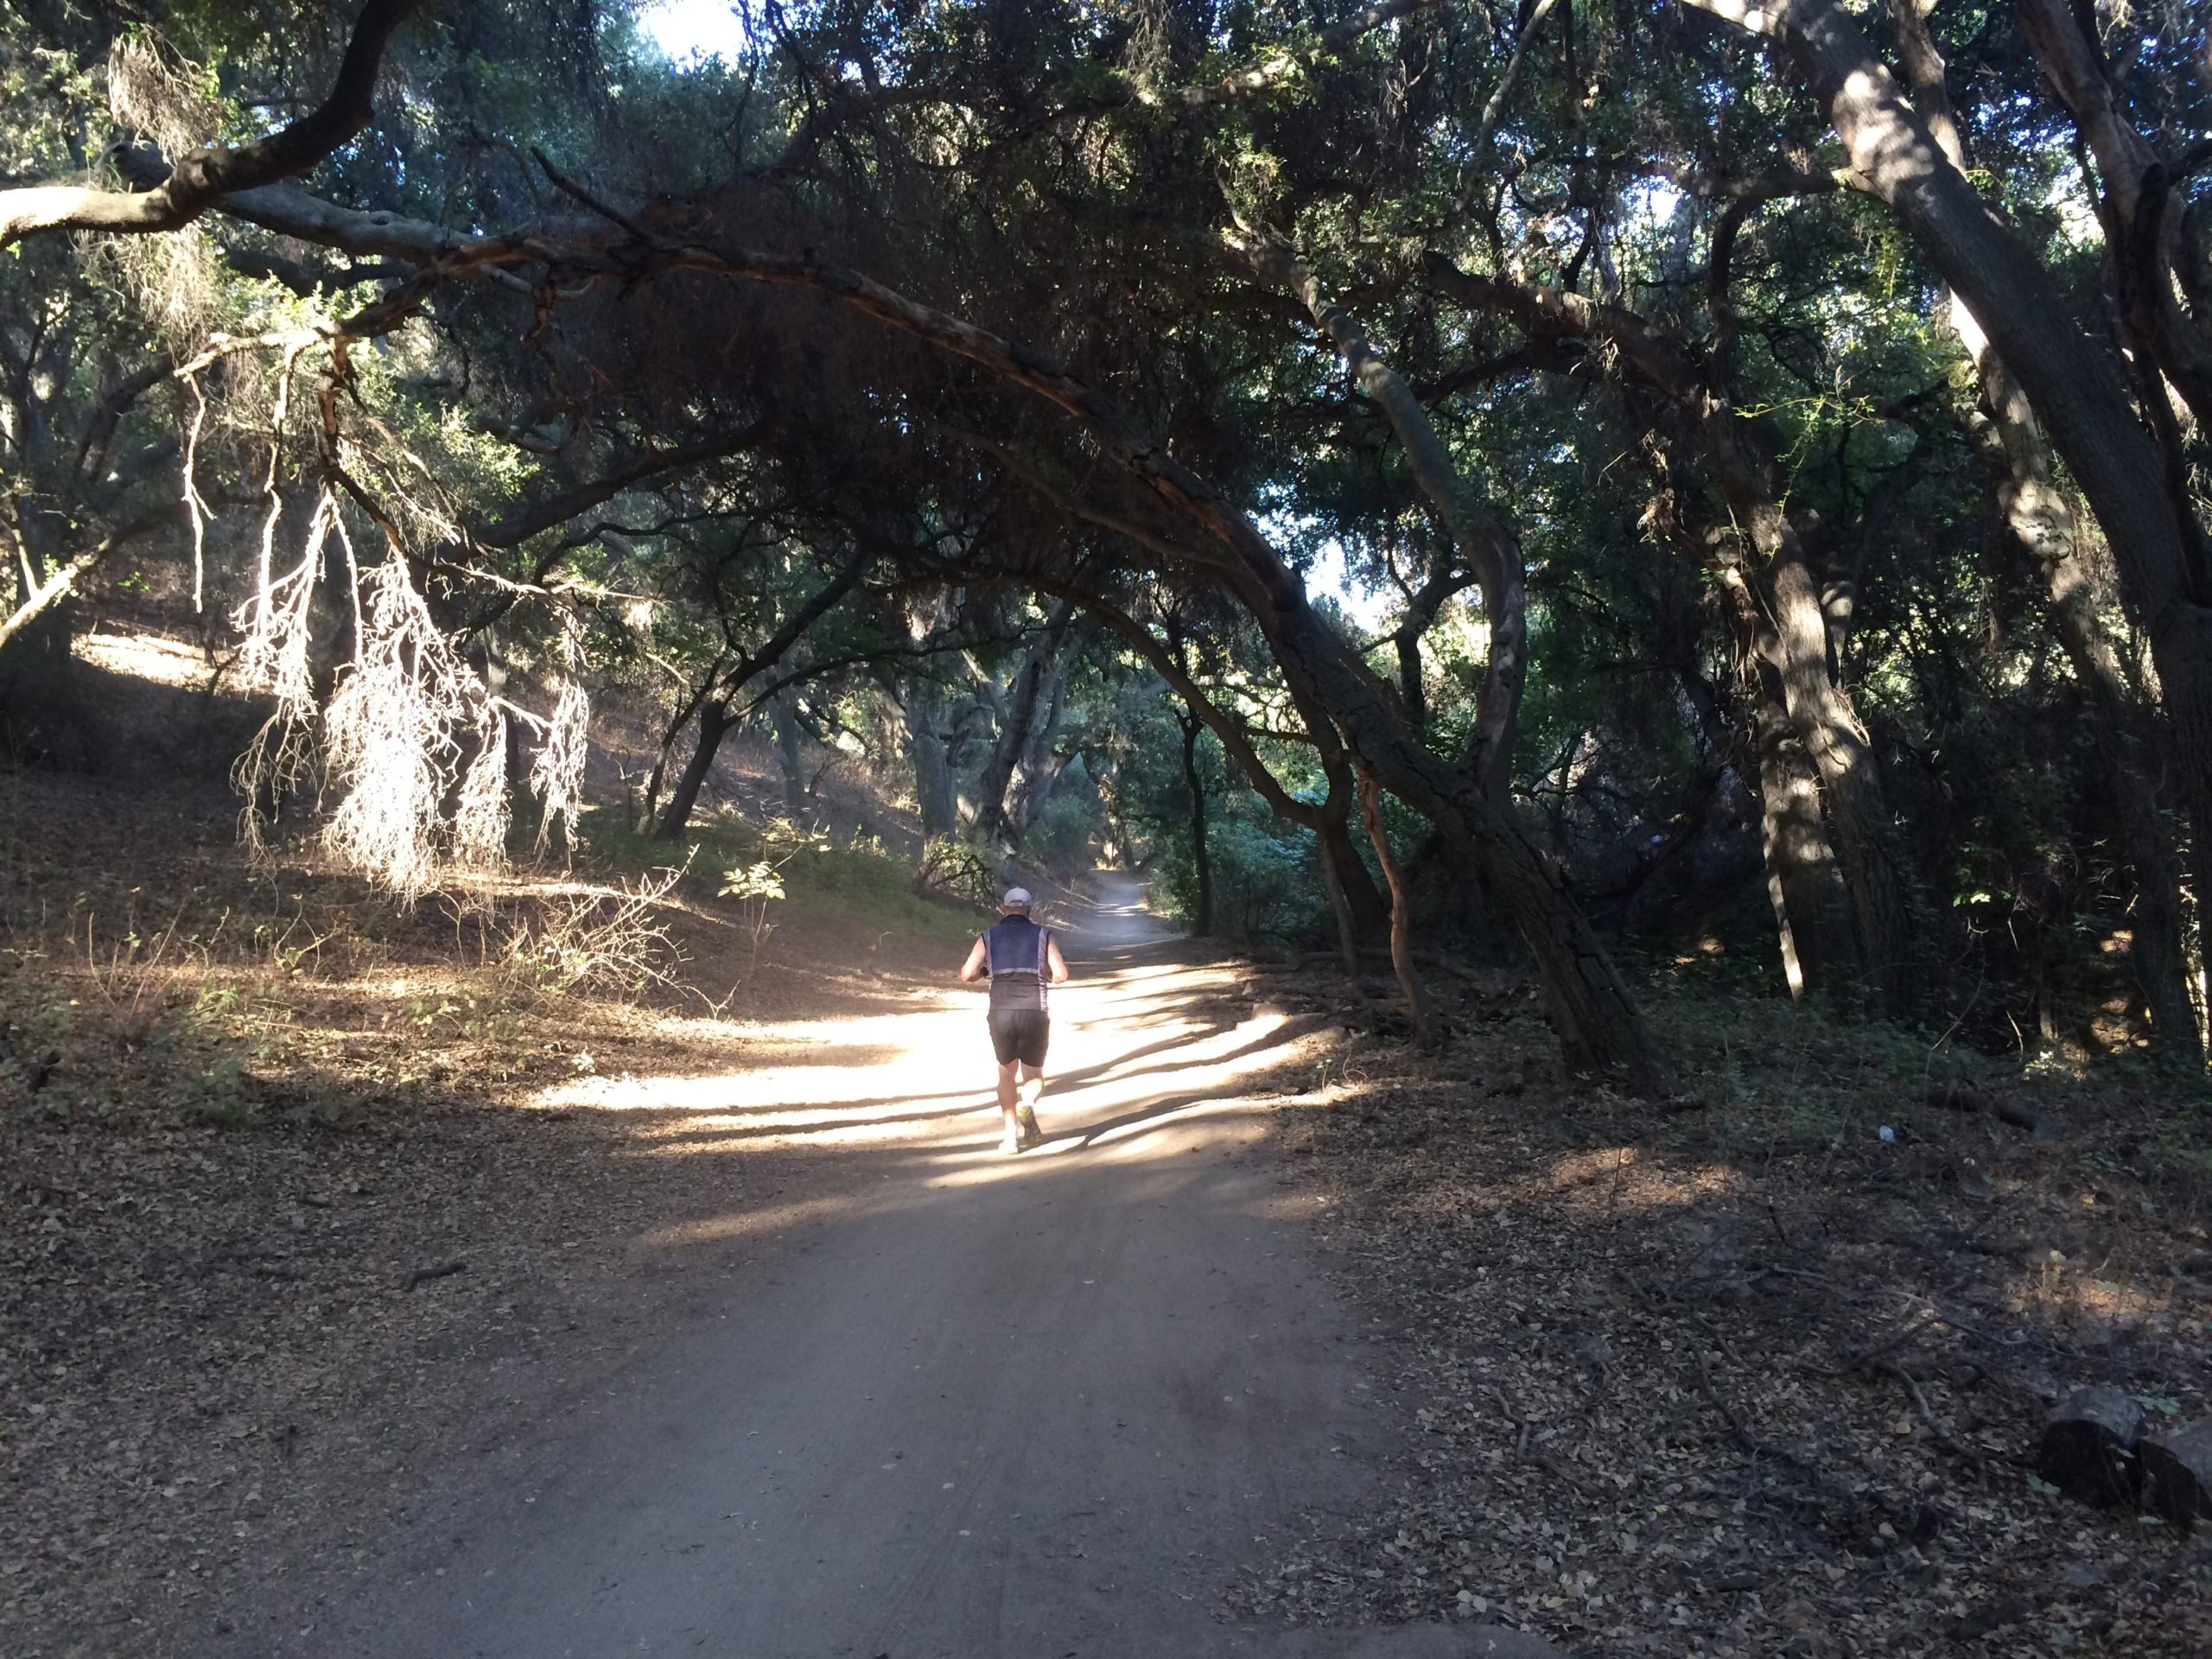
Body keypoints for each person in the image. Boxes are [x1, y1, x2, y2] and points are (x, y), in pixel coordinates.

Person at [957, 887, 1070, 1154]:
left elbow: (965, 974)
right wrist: (1045, 976)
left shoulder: (988, 936)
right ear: (1030, 910)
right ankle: (1027, 1104)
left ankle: (1010, 1138)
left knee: (1006, 1073)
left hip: (1001, 1012)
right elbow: (1062, 975)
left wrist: (986, 972)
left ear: (1004, 909)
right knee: (1033, 1075)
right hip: (1034, 1011)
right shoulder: (1043, 935)